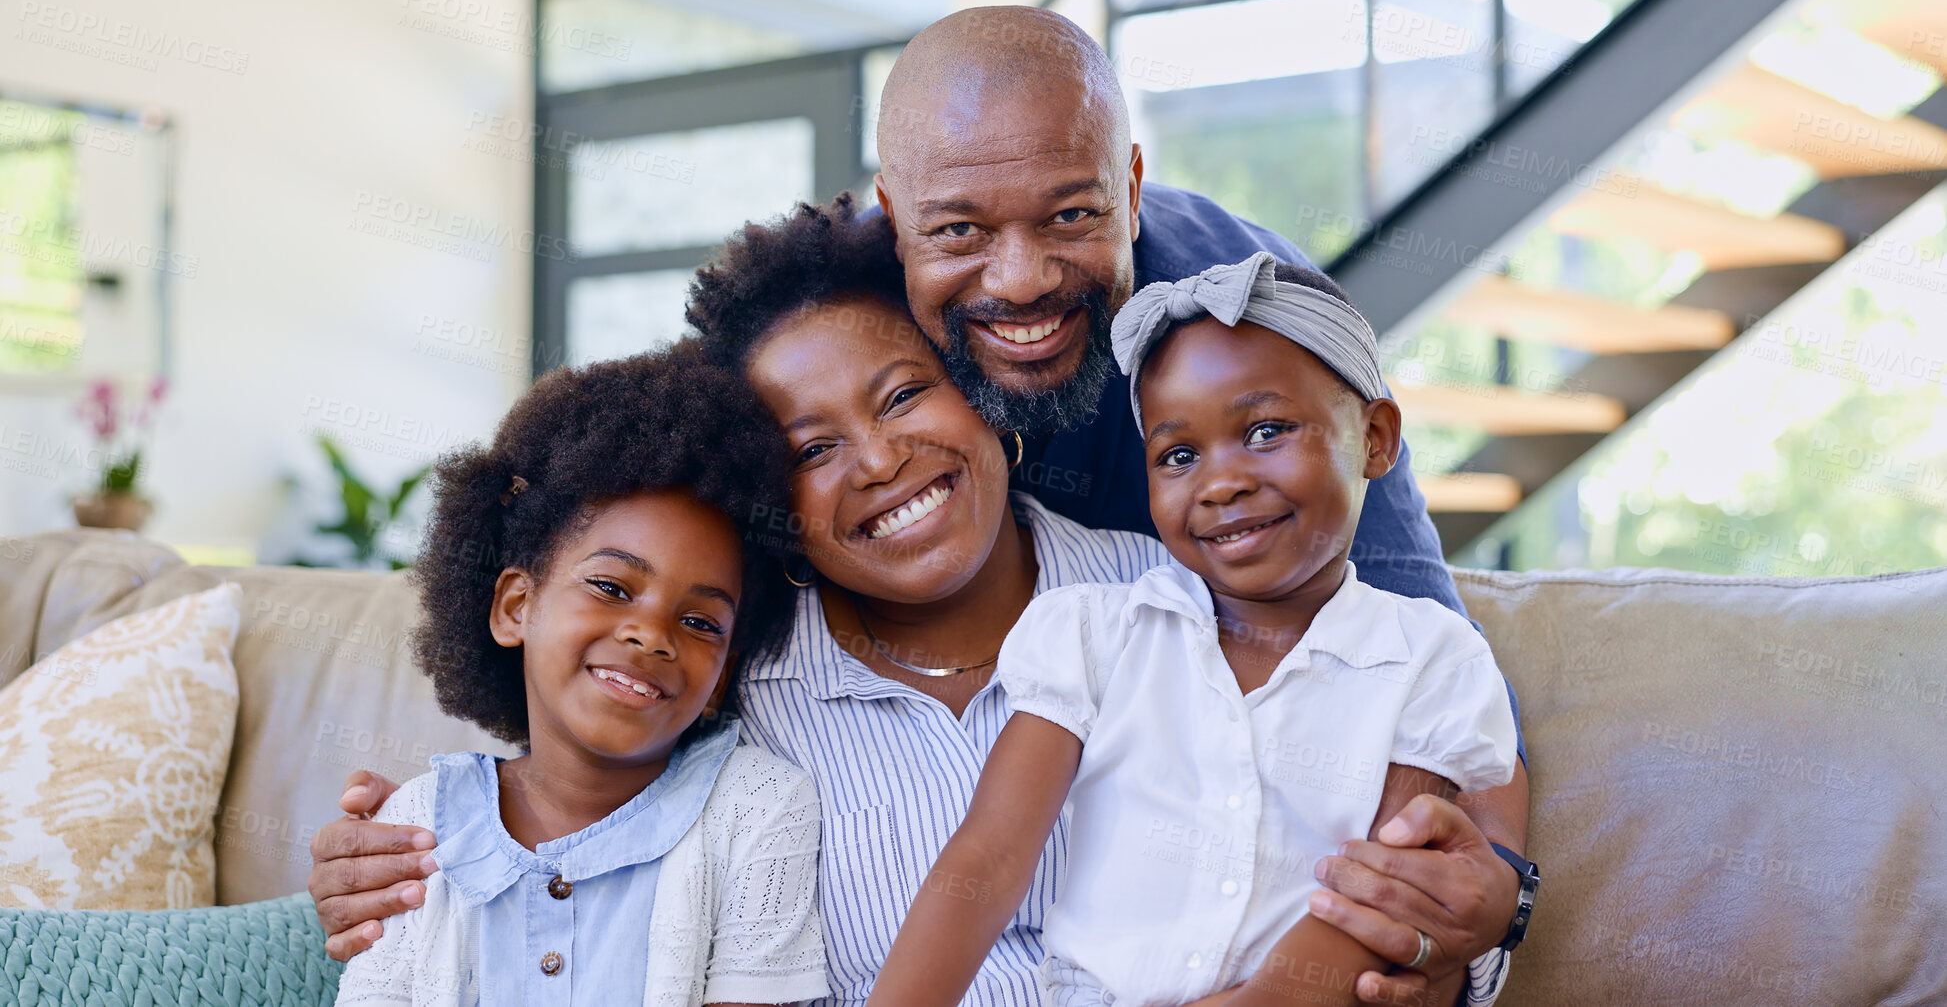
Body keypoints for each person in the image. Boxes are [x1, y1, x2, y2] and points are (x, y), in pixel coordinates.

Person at [312, 202, 1522, 1007]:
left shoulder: (1188, 596)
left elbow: (1423, 756)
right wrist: (388, 862)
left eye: (903, 396)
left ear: (983, 390)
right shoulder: (735, 676)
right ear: (767, 501)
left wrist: (1476, 924)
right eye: (812, 448)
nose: (881, 462)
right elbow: (569, 781)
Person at [869, 8, 1535, 1002]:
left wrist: (1472, 928)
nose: (1021, 280)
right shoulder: (827, 335)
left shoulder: (1250, 324)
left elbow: (1428, 715)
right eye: (960, 230)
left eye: (1071, 216)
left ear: (1130, 187)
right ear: (893, 219)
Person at [330, 346, 828, 1007]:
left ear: (724, 672)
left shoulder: (756, 809)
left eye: (701, 622)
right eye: (610, 585)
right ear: (516, 607)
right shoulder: (421, 820)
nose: (651, 634)